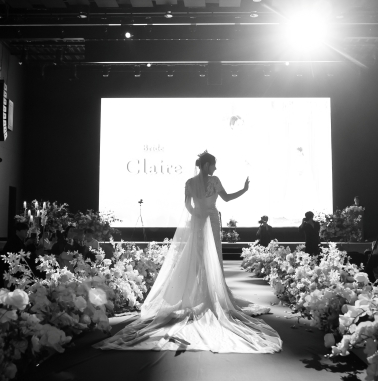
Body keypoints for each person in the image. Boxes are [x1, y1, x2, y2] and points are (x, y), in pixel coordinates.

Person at [95, 151, 281, 354]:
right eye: (214, 164)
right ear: (207, 165)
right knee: (211, 258)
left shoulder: (190, 183)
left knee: (199, 258)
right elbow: (226, 198)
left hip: (199, 221)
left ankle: (200, 294)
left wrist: (197, 215)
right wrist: (244, 189)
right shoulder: (214, 181)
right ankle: (210, 295)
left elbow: (187, 205)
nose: (216, 168)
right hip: (211, 220)